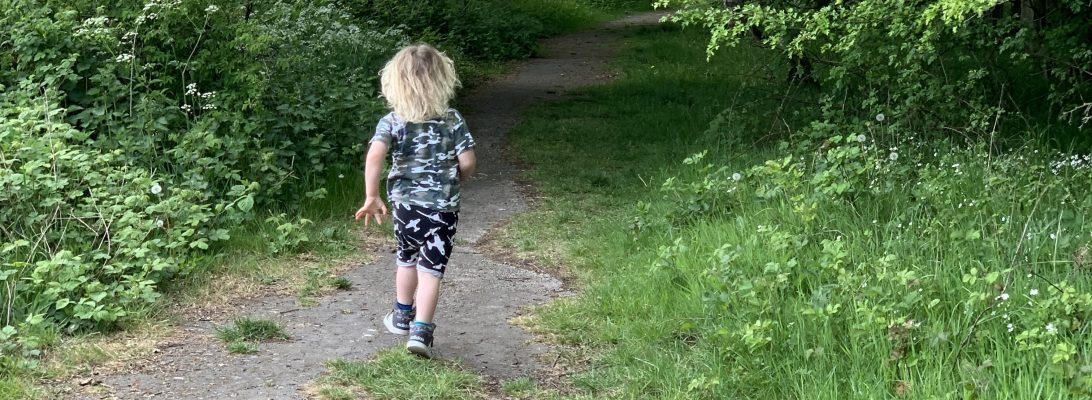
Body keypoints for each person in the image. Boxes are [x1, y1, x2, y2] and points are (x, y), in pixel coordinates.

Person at [354, 44, 477, 358]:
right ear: (442, 81)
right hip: (443, 210)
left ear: (395, 83)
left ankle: (400, 316)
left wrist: (371, 195)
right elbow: (467, 161)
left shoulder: (393, 121)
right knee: (431, 270)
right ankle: (421, 331)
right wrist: (457, 181)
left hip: (407, 208)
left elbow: (375, 155)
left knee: (406, 258)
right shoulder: (452, 120)